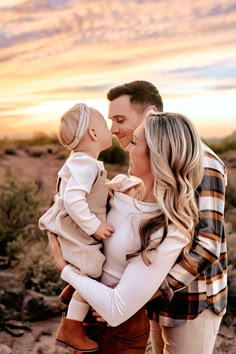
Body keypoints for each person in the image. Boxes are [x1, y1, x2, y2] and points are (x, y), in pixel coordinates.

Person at [49, 111, 204, 354]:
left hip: (118, 334)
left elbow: (115, 308)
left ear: (157, 154)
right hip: (86, 320)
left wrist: (65, 269)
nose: (126, 148)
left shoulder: (169, 228)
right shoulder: (122, 186)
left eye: (134, 142)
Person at [106, 80, 227, 354]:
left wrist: (154, 288)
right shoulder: (149, 153)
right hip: (155, 296)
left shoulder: (202, 161)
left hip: (191, 300)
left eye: (120, 119)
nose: (113, 129)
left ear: (150, 115)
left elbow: (207, 245)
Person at [38, 103, 114, 352]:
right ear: (93, 133)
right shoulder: (86, 164)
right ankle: (70, 328)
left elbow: (88, 190)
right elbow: (73, 199)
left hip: (72, 227)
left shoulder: (83, 162)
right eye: (105, 125)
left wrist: (111, 187)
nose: (110, 129)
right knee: (92, 271)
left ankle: (73, 291)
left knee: (87, 269)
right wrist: (94, 226)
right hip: (77, 229)